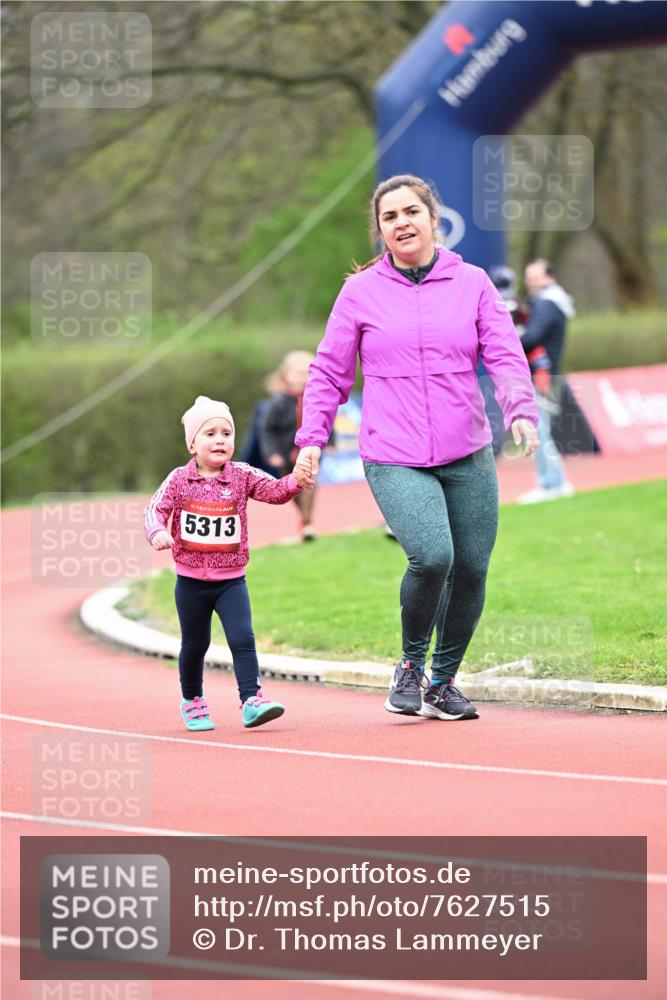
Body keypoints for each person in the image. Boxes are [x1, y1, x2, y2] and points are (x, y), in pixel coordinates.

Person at [293, 174, 538, 721]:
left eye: (411, 212)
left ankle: (442, 682)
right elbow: (329, 372)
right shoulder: (360, 292)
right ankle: (409, 664)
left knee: (473, 566)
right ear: (380, 230)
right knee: (433, 556)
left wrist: (520, 408)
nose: (401, 223)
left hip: (467, 449)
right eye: (389, 217)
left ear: (432, 218)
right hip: (393, 451)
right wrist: (311, 439)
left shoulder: (471, 282)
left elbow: (504, 353)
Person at [144, 395, 310, 732]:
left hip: (231, 581)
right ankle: (192, 700)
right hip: (190, 582)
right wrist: (158, 532)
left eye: (226, 433)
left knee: (242, 637)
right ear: (192, 443)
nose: (220, 440)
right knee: (195, 645)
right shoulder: (178, 480)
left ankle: (252, 700)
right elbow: (154, 510)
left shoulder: (242, 475)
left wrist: (295, 482)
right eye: (210, 433)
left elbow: (274, 491)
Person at [517, 258, 576, 504]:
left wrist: (510, 338)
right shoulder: (555, 302)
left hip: (542, 375)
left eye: (535, 276)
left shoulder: (546, 303)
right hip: (549, 373)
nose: (530, 282)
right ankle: (556, 482)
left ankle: (551, 483)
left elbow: (532, 338)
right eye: (528, 277)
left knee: (539, 431)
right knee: (542, 430)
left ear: (549, 277)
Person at [260, 351, 319, 541]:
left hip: (310, 451)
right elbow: (268, 430)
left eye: (307, 373)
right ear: (286, 375)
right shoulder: (278, 402)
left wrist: (331, 441)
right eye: (299, 373)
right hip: (286, 453)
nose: (304, 378)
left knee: (309, 484)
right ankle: (304, 518)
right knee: (293, 488)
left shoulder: (314, 398)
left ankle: (308, 523)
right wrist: (272, 453)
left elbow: (324, 420)